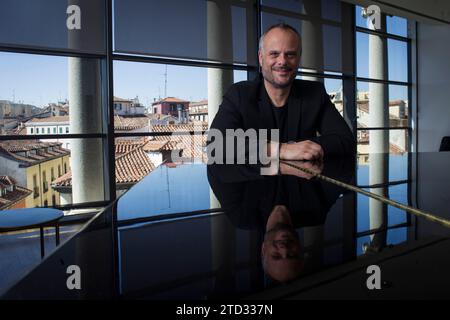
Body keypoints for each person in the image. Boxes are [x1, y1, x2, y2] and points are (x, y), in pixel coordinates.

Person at [210, 23, 355, 162]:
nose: (282, 61)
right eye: (274, 54)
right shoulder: (239, 94)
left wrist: (297, 148)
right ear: (261, 58)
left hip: (302, 183)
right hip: (254, 184)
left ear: (298, 59)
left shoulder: (315, 93)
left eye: (290, 55)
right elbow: (216, 144)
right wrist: (282, 149)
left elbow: (345, 140)